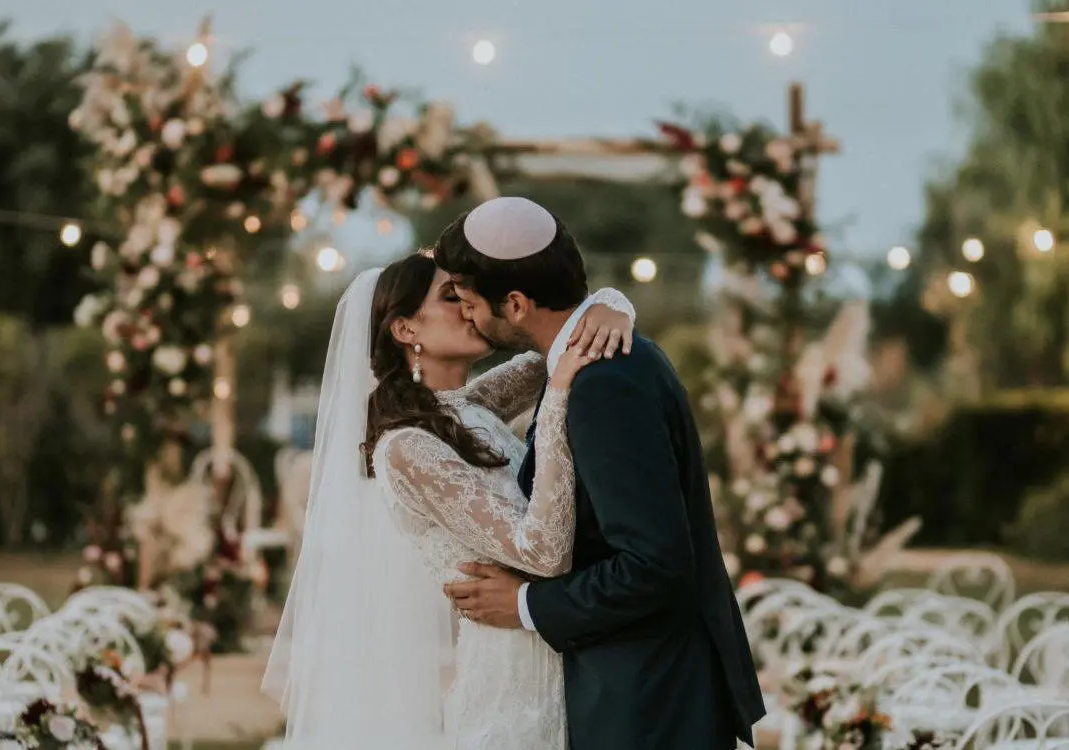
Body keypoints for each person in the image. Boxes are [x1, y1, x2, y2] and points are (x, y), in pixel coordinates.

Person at [261, 249, 635, 749]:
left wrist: (614, 305)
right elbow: (542, 551)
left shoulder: (471, 406)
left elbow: (566, 338)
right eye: (449, 296)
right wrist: (558, 401)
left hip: (561, 652)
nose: (468, 305)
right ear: (405, 330)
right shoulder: (406, 448)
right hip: (512, 678)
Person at [438, 196, 766, 749]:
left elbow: (654, 564)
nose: (466, 314)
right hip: (634, 687)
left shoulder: (602, 384)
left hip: (649, 701)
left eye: (469, 302)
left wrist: (523, 604)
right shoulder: (594, 358)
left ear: (515, 303)